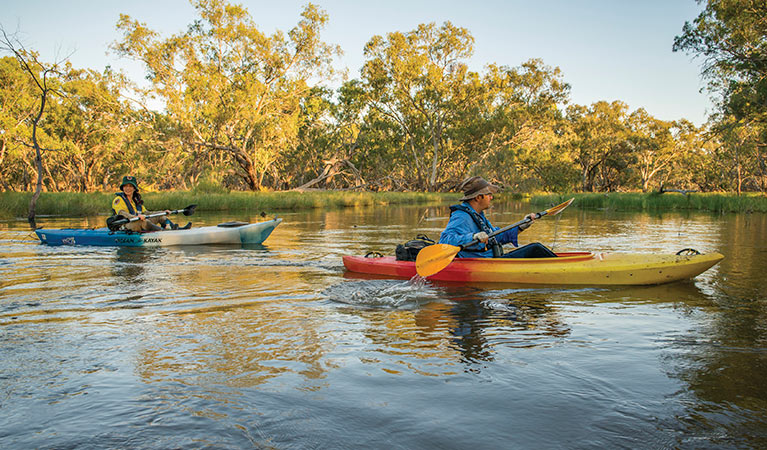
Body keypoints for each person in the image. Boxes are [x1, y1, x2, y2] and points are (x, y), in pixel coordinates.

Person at [438, 176, 557, 258]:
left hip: (492, 259)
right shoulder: (462, 216)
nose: (491, 197)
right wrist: (473, 237)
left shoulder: (478, 215)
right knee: (535, 249)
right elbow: (445, 240)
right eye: (489, 194)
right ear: (478, 197)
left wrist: (521, 226)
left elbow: (495, 236)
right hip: (482, 263)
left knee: (535, 249)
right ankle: (561, 268)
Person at [111, 176, 187, 232]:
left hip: (137, 221)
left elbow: (147, 213)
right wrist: (135, 217)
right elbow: (122, 213)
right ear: (122, 188)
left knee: (161, 216)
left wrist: (162, 212)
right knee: (143, 221)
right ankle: (162, 232)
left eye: (130, 186)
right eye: (125, 186)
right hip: (125, 225)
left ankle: (176, 229)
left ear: (134, 188)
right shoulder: (118, 199)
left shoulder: (136, 200)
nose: (128, 188)